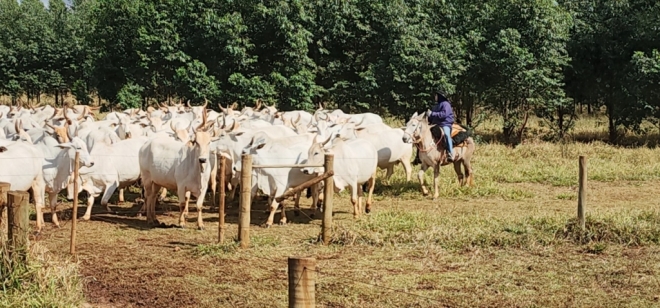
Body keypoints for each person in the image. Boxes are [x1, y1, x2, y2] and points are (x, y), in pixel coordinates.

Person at [428, 91, 455, 162]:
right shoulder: (435, 106)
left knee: (446, 134)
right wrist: (429, 117)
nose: (435, 97)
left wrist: (432, 113)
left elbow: (444, 114)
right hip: (435, 124)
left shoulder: (446, 104)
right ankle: (418, 156)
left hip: (445, 124)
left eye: (436, 95)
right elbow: (432, 117)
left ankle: (450, 153)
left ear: (440, 96)